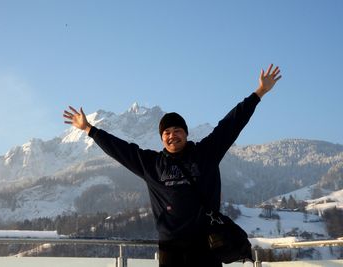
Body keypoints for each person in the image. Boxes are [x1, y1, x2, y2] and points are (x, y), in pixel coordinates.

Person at [63, 64, 281, 267]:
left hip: (206, 244)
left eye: (177, 130)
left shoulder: (205, 153)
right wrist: (90, 129)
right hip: (171, 248)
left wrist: (259, 92)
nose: (172, 136)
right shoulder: (152, 164)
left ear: (186, 133)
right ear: (161, 138)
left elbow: (231, 124)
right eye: (166, 132)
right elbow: (120, 149)